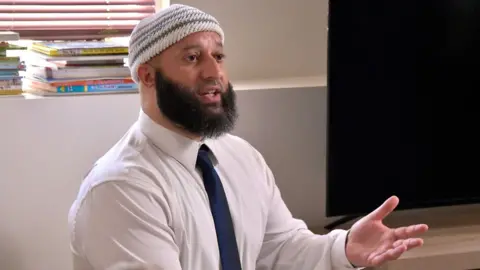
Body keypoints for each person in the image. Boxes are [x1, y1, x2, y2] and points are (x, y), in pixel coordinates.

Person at [68, 4, 428, 270]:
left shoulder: (240, 157)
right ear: (147, 76)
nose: (215, 73)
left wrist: (344, 246)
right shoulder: (121, 188)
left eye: (219, 56)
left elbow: (281, 247)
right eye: (193, 57)